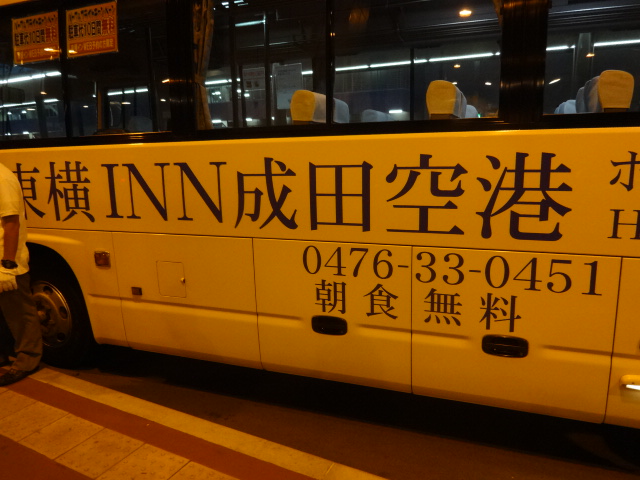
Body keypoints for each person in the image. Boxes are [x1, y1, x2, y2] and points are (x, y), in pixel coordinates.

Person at [0, 162, 41, 386]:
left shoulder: (3, 179)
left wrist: (7, 266)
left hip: (5, 261)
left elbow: (11, 223)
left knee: (20, 313)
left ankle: (27, 361)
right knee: (4, 313)